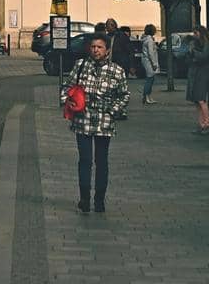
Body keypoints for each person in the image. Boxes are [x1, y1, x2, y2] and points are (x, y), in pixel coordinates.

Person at [61, 34, 130, 214]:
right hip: (82, 118)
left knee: (101, 161)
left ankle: (99, 199)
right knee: (85, 159)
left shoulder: (117, 71)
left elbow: (124, 95)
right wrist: (68, 102)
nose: (95, 50)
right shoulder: (81, 65)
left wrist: (113, 111)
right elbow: (67, 86)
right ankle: (84, 198)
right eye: (93, 47)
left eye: (99, 47)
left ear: (107, 50)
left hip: (104, 121)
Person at [187, 26, 209, 133]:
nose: (194, 35)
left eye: (196, 33)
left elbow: (204, 57)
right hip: (196, 73)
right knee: (197, 100)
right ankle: (202, 123)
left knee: (201, 100)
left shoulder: (206, 44)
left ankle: (206, 124)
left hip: (202, 74)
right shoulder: (198, 44)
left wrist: (193, 52)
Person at [139, 23, 161, 104]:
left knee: (150, 79)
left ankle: (148, 96)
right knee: (150, 79)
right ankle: (146, 96)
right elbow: (151, 53)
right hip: (149, 62)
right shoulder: (150, 40)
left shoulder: (147, 39)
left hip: (146, 61)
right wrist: (154, 64)